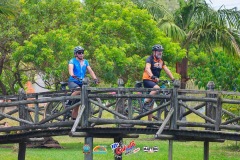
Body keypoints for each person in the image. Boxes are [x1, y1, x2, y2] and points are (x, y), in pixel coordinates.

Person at [142, 44, 175, 125]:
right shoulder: (149, 59)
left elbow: (167, 70)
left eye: (161, 51)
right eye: (158, 51)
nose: (160, 53)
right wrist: (152, 76)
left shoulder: (161, 61)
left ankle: (149, 123)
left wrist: (173, 79)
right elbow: (147, 68)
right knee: (157, 89)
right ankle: (145, 102)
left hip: (154, 82)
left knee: (152, 103)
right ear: (154, 52)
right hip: (147, 80)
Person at [68, 46, 99, 120]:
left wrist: (95, 78)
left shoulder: (85, 62)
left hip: (82, 82)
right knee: (78, 89)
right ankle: (68, 102)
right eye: (79, 53)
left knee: (77, 103)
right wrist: (72, 74)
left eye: (82, 53)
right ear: (76, 54)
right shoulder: (72, 61)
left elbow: (90, 71)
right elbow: (70, 69)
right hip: (73, 81)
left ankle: (74, 120)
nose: (81, 54)